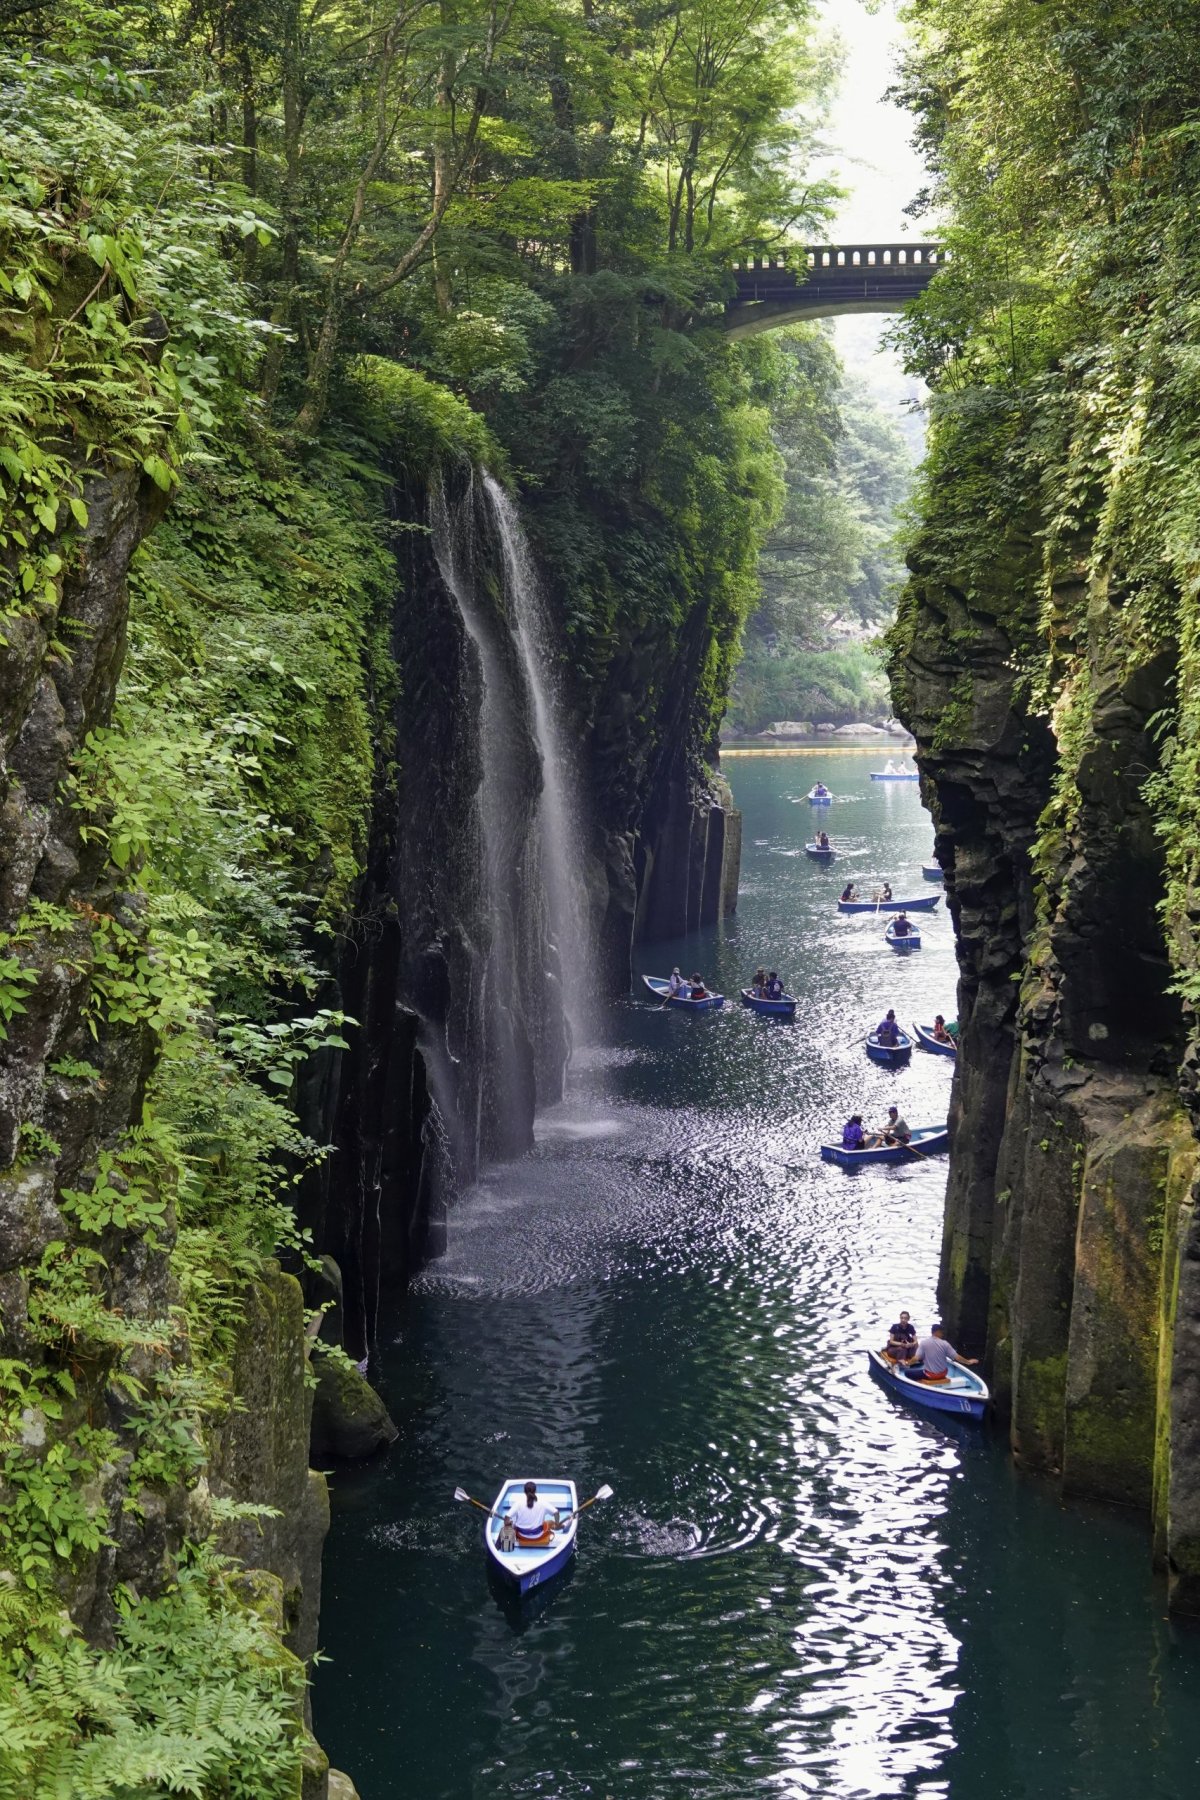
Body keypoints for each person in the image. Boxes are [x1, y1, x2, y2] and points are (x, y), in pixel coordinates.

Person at [905, 1323, 978, 1384]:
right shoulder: (945, 1344)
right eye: (941, 1332)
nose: (942, 1334)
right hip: (943, 1374)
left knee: (907, 1372)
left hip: (930, 1375)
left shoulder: (924, 1343)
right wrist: (968, 1362)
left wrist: (908, 1363)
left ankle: (922, 1382)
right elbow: (957, 1357)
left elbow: (916, 1358)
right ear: (937, 1332)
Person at [503, 1480, 561, 1547]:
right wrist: (557, 1523)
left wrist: (508, 1524)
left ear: (524, 1491)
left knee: (510, 1524)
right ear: (535, 1491)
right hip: (538, 1535)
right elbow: (556, 1512)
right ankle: (561, 1526)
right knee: (550, 1522)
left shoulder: (518, 1503)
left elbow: (507, 1517)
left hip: (521, 1535)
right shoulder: (543, 1503)